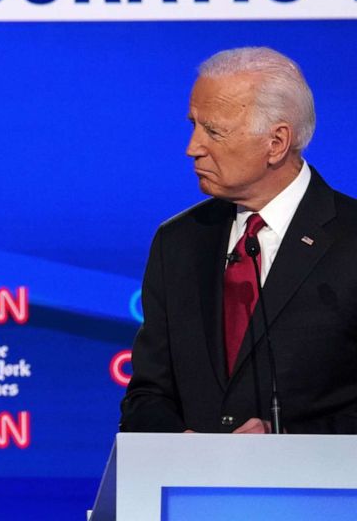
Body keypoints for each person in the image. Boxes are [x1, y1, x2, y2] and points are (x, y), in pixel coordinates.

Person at [121, 46, 357, 434]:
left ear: (276, 143)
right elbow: (147, 395)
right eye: (193, 125)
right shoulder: (177, 242)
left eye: (213, 131)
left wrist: (285, 436)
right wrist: (176, 442)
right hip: (190, 489)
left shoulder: (349, 239)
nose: (192, 147)